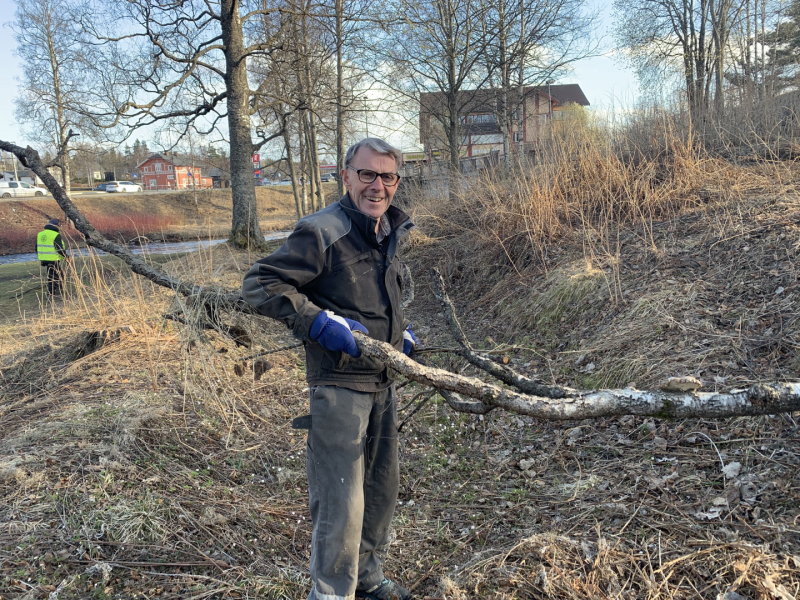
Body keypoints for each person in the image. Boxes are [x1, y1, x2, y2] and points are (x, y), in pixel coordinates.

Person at [242, 138, 418, 600]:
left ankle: (367, 578)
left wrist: (401, 336)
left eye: (387, 176)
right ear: (346, 176)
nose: (377, 185)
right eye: (367, 174)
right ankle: (332, 593)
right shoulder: (322, 230)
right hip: (339, 386)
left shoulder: (386, 230)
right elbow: (260, 283)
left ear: (396, 182)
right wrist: (317, 322)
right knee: (341, 501)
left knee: (380, 491)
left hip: (383, 381)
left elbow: (372, 296)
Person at [36, 218, 69, 297]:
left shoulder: (40, 234)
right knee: (55, 275)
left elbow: (36, 247)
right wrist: (66, 257)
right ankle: (52, 292)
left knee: (55, 273)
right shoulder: (55, 235)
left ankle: (58, 289)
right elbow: (59, 249)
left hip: (43, 258)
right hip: (53, 258)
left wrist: (41, 257)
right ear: (57, 226)